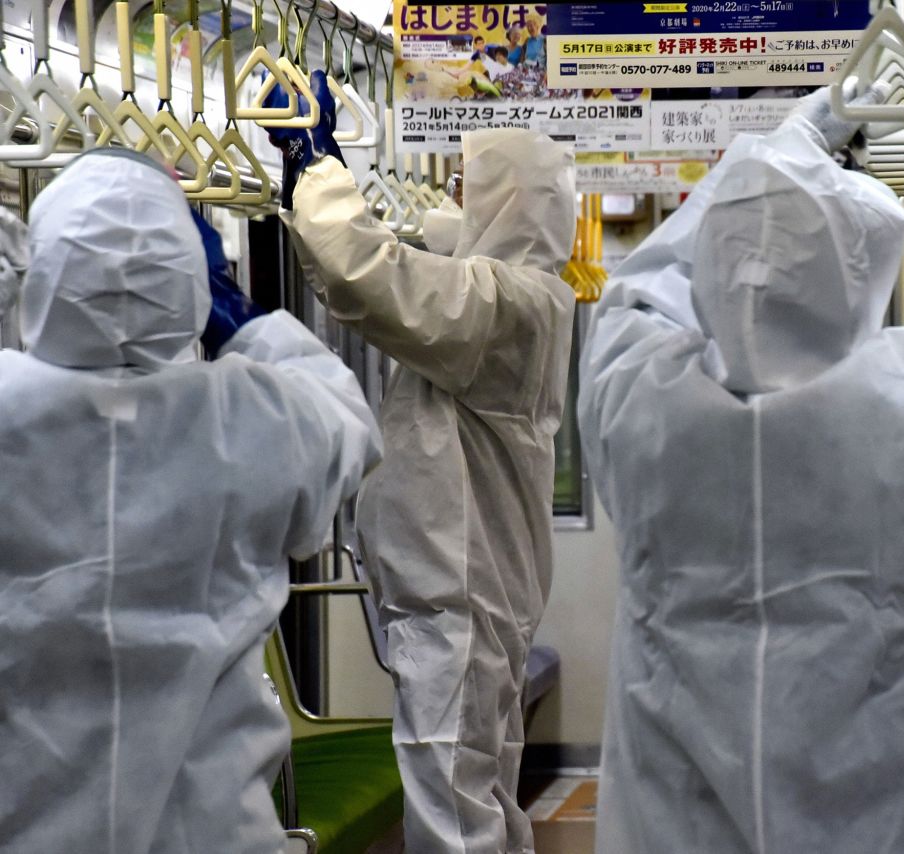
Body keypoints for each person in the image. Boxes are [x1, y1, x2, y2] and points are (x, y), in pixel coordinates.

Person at [577, 78, 904, 853]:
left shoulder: (636, 404)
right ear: (861, 277)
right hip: (900, 817)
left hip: (675, 821)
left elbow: (640, 290)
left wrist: (792, 141)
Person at [0, 148, 383, 852]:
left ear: (45, 274)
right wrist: (235, 316)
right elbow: (346, 418)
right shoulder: (248, 417)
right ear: (187, 283)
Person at [265, 75, 577, 854]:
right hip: (465, 594)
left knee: (451, 798)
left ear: (507, 199)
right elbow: (380, 279)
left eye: (472, 185)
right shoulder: (515, 296)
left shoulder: (510, 305)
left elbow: (376, 281)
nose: (456, 197)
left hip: (460, 599)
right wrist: (312, 200)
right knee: (477, 789)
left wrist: (319, 171)